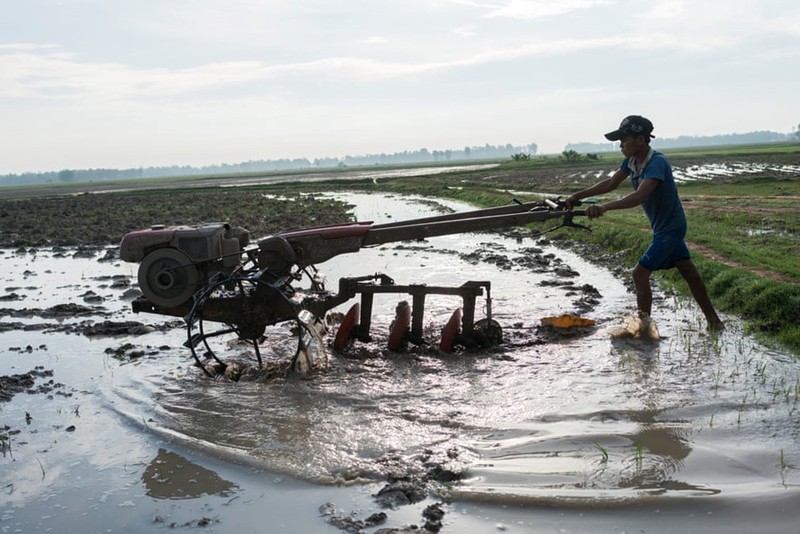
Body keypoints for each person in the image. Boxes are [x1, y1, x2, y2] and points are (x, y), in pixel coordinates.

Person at [565, 115, 724, 331]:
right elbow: (611, 183)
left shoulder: (656, 162)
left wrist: (604, 207)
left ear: (640, 140)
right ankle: (715, 322)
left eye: (624, 139)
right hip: (662, 227)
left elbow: (640, 196)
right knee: (689, 272)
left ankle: (644, 329)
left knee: (639, 274)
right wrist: (577, 196)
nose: (620, 144)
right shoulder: (631, 162)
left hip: (671, 228)